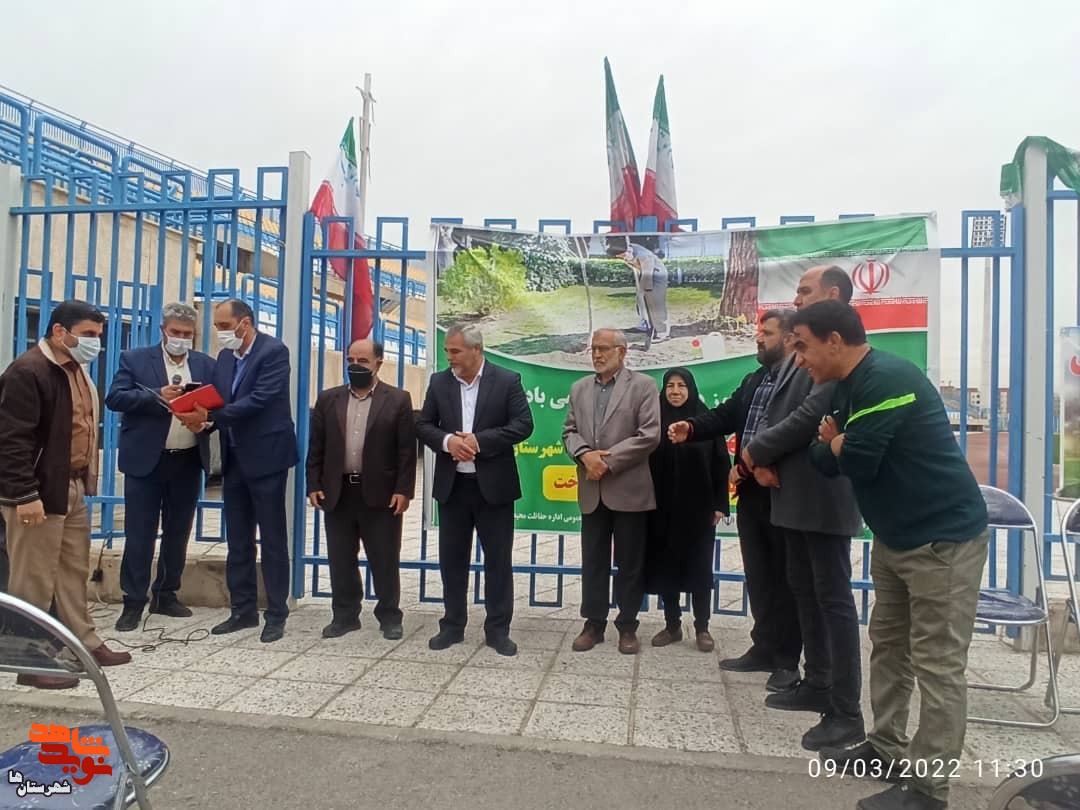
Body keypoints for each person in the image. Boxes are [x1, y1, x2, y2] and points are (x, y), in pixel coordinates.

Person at [792, 301, 989, 810]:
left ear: (835, 341)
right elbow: (822, 458)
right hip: (895, 538)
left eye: (804, 346)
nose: (799, 358)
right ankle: (885, 747)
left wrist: (840, 443)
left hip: (942, 541)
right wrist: (839, 445)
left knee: (938, 665)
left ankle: (929, 789)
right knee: (889, 647)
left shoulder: (886, 378)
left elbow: (858, 460)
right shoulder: (844, 387)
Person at [738, 307, 865, 753]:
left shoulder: (837, 367)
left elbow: (807, 418)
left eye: (806, 293)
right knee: (805, 591)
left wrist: (754, 453)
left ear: (832, 297)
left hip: (822, 498)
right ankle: (818, 682)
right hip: (793, 496)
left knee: (833, 601)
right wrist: (763, 458)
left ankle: (845, 710)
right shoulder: (797, 360)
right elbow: (778, 416)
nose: (798, 299)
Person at [0, 300, 132, 688]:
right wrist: (25, 494)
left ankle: (82, 642)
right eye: (88, 334)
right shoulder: (29, 371)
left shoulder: (74, 369)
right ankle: (29, 656)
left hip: (70, 486)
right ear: (60, 331)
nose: (95, 343)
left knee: (72, 570)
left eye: (98, 336)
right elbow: (11, 440)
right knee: (34, 577)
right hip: (37, 491)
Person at [669, 311, 801, 690]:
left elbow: (795, 430)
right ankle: (764, 647)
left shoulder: (803, 380)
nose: (758, 338)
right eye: (759, 331)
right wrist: (692, 426)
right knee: (759, 574)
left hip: (784, 489)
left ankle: (787, 660)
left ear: (789, 339)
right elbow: (727, 415)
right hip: (751, 491)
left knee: (786, 578)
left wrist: (753, 463)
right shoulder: (754, 379)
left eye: (767, 333)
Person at [177, 299, 298, 644]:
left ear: (245, 323)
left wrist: (210, 416)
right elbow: (220, 400)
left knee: (272, 540)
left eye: (224, 326)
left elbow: (260, 399)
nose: (219, 332)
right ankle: (242, 610)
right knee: (239, 540)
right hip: (234, 459)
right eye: (217, 326)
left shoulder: (274, 352)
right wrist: (200, 416)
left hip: (267, 458)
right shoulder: (226, 357)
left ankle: (276, 613)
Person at [416, 324, 533, 656]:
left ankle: (498, 631)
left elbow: (523, 425)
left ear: (476, 349)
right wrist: (448, 442)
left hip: (494, 489)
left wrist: (479, 442)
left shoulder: (507, 380)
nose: (449, 357)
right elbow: (423, 425)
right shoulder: (439, 382)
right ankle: (452, 626)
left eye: (455, 351)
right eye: (447, 351)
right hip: (453, 488)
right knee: (452, 561)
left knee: (498, 562)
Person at [105, 303, 215, 631]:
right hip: (146, 462)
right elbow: (115, 398)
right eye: (175, 332)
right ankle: (133, 601)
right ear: (163, 331)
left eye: (187, 334)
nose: (181, 339)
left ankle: (166, 594)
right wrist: (157, 396)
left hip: (187, 460)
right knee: (140, 533)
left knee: (178, 532)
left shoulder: (205, 364)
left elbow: (216, 405)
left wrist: (205, 419)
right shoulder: (135, 360)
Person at [306, 339, 415, 641]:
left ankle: (389, 617)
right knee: (340, 558)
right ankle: (345, 616)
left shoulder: (398, 400)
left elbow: (407, 451)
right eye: (351, 360)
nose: (356, 365)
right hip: (338, 492)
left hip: (381, 494)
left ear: (379, 362)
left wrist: (403, 490)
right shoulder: (329, 399)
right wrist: (313, 483)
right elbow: (316, 447)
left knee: (384, 557)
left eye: (363, 361)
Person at [562, 328, 660, 655]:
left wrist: (607, 461)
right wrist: (584, 455)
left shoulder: (644, 386)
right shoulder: (579, 388)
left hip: (629, 490)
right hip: (592, 490)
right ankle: (593, 624)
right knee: (593, 561)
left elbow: (649, 435)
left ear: (622, 351)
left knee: (630, 562)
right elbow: (569, 432)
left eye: (604, 348)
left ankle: (627, 625)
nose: (597, 354)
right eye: (593, 348)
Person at [645, 367, 729, 652]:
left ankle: (702, 627)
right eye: (670, 386)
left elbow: (721, 462)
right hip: (661, 509)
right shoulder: (654, 420)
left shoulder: (705, 421)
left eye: (681, 385)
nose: (675, 391)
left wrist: (720, 504)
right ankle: (672, 625)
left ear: (691, 389)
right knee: (666, 566)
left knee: (700, 568)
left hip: (698, 509)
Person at [620, 243, 670, 342]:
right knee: (643, 302)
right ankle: (647, 325)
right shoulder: (627, 248)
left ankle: (662, 332)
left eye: (623, 256)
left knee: (655, 303)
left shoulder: (644, 256)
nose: (622, 258)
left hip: (656, 276)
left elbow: (647, 275)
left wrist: (645, 289)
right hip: (645, 273)